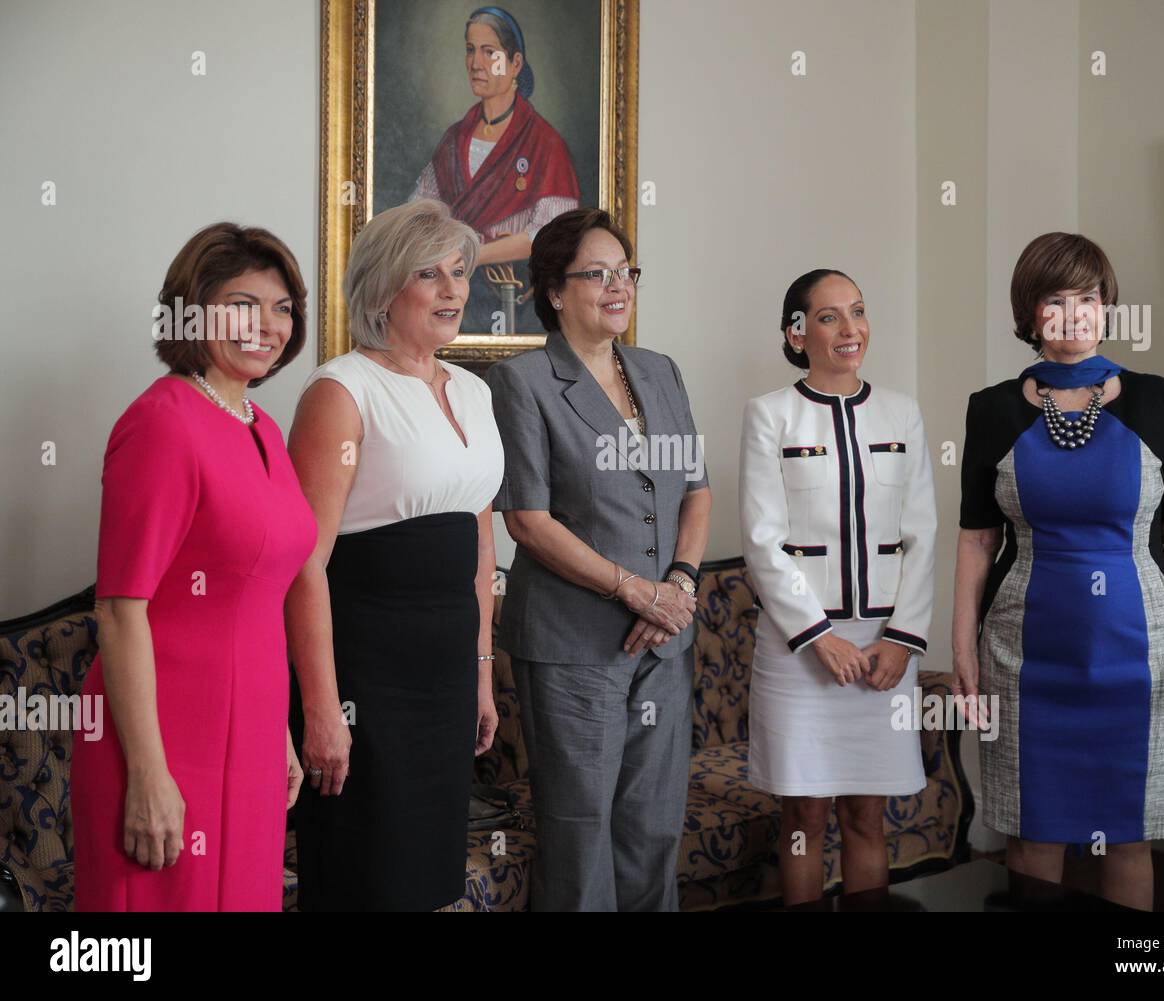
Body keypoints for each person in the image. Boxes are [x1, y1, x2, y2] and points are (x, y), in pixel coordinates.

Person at [953, 232, 1164, 910]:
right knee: (1033, 832)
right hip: (1025, 655)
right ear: (1030, 311)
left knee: (1128, 834)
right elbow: (976, 542)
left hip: (1142, 655)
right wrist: (960, 647)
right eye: (1055, 299)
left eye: (1088, 297)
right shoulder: (991, 409)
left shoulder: (1158, 399)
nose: (1074, 313)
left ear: (1106, 306)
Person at [72, 223, 315, 911]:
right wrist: (147, 773)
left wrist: (277, 734)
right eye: (244, 303)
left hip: (251, 742)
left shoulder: (263, 426)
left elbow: (259, 593)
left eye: (282, 308)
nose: (266, 326)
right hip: (164, 740)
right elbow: (121, 610)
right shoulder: (162, 422)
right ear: (192, 308)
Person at [488, 207, 712, 910]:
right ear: (554, 290)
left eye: (627, 273)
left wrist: (676, 584)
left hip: (664, 642)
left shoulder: (660, 371)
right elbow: (527, 519)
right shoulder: (522, 381)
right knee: (580, 832)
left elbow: (696, 492)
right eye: (598, 274)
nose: (618, 287)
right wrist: (632, 590)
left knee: (651, 829)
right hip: (572, 645)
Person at [285, 199, 504, 911]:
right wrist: (321, 709)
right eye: (430, 274)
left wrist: (481, 674)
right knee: (363, 874)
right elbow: (302, 563)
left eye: (460, 272)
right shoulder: (341, 390)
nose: (453, 290)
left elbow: (479, 538)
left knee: (427, 877)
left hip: (445, 676)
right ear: (382, 289)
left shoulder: (472, 390)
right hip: (365, 673)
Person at [739, 269, 937, 906]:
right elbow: (763, 541)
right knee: (804, 823)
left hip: (885, 649)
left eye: (857, 311)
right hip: (800, 653)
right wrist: (819, 639)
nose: (850, 329)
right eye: (829, 317)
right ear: (797, 334)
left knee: (865, 818)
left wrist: (903, 643)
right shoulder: (769, 415)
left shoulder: (902, 412)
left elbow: (922, 535)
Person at [410, 5, 580, 333]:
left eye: (490, 52)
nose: (476, 63)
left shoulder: (546, 144)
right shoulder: (453, 139)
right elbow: (419, 211)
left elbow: (550, 235)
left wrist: (470, 254)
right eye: (470, 50)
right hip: (448, 300)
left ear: (516, 63)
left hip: (518, 300)